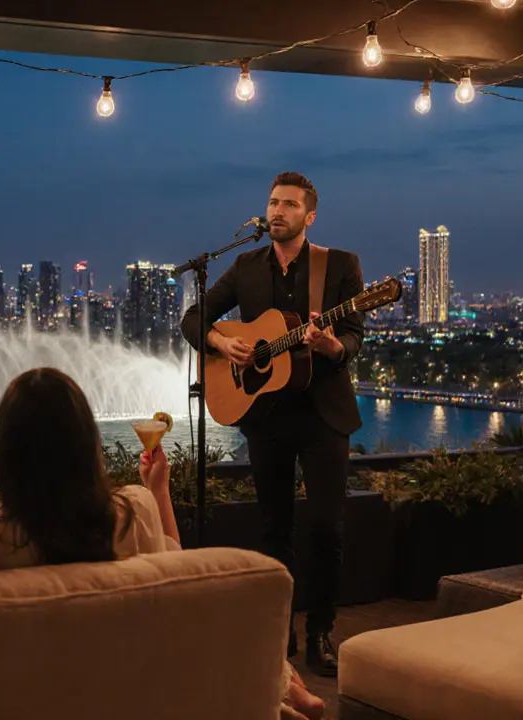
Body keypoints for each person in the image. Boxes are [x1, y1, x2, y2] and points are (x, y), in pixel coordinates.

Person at [0, 367, 325, 719]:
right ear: (87, 443)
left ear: (8, 455)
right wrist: (159, 491)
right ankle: (286, 692)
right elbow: (177, 575)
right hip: (136, 686)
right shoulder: (131, 510)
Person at [180, 172, 364, 678]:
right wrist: (221, 344)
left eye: (289, 204)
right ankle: (278, 630)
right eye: (273, 202)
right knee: (273, 529)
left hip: (324, 414)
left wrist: (332, 347)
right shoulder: (245, 266)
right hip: (267, 415)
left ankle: (321, 631)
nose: (277, 211)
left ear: (310, 215)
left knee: (327, 528)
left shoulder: (340, 266)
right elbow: (193, 318)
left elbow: (354, 334)